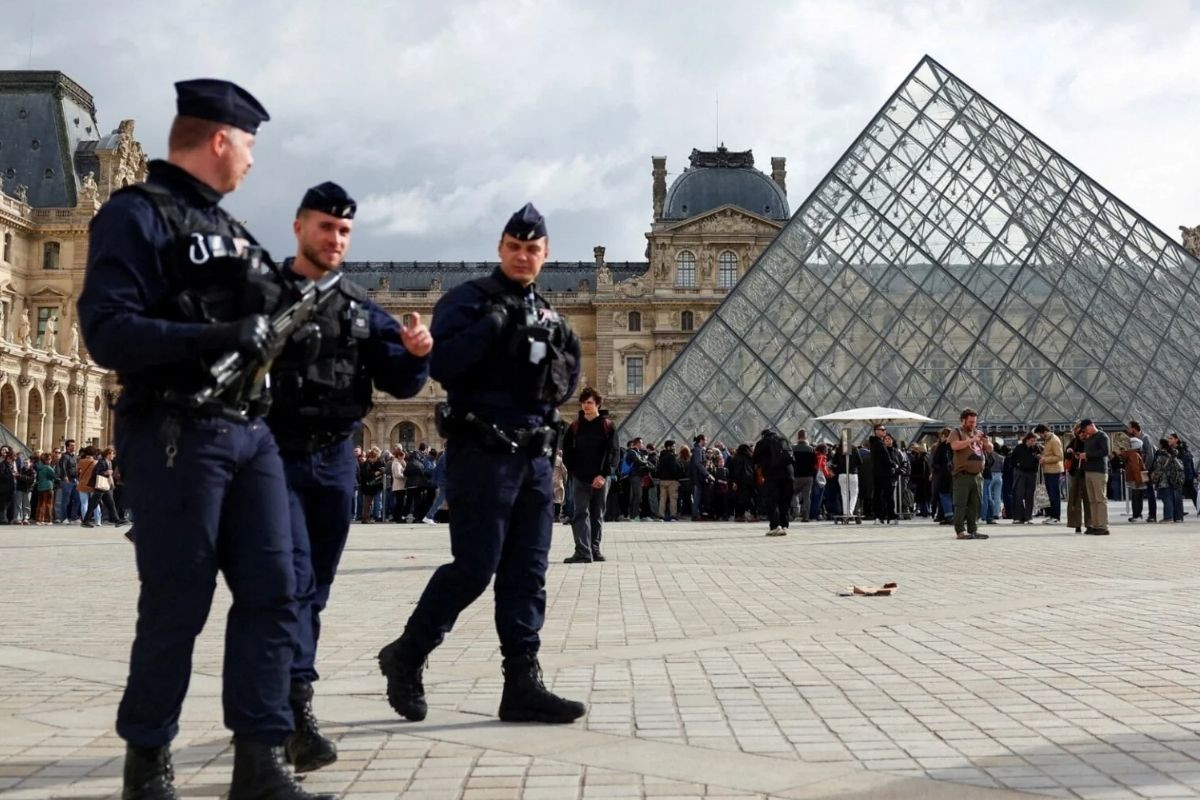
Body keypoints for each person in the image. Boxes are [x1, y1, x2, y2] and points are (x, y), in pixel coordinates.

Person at [77, 79, 330, 800]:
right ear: (220, 140)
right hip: (176, 426)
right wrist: (214, 338)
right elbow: (106, 331)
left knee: (277, 593)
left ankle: (261, 760)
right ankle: (148, 762)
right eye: (248, 144)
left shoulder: (234, 231)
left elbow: (274, 319)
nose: (251, 159)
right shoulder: (136, 215)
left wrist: (302, 341)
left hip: (250, 432)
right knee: (177, 599)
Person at [377, 203, 585, 725]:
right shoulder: (467, 301)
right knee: (473, 567)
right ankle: (408, 653)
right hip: (483, 452)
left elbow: (565, 383)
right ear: (501, 248)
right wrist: (494, 327)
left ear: (545, 253)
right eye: (514, 247)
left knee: (528, 573)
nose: (523, 256)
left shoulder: (552, 318)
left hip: (535, 459)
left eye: (532, 248)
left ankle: (522, 683)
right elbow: (443, 365)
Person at [265, 181, 430, 772]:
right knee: (290, 582)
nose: (334, 238)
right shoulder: (262, 295)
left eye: (343, 230)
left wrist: (416, 353)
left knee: (315, 586)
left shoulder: (361, 308)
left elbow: (402, 383)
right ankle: (293, 709)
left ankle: (285, 702)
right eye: (324, 226)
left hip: (336, 458)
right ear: (299, 227)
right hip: (274, 455)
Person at [561, 387, 617, 562]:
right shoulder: (575, 426)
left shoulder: (608, 426)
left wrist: (603, 475)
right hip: (580, 478)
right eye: (583, 402)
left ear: (597, 404)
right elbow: (567, 451)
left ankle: (594, 549)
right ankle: (582, 551)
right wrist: (574, 472)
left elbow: (613, 452)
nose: (586, 406)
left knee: (597, 514)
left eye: (589, 402)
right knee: (580, 514)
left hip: (601, 478)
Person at [948, 409, 992, 540]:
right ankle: (960, 531)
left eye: (974, 422)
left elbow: (990, 448)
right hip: (963, 474)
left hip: (977, 475)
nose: (973, 424)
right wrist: (972, 440)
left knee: (975, 504)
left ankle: (973, 529)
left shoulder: (978, 433)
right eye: (970, 422)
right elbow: (955, 446)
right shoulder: (956, 432)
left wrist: (985, 442)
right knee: (960, 504)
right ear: (963, 421)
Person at [753, 429, 793, 536]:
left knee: (771, 501)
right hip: (788, 475)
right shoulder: (784, 440)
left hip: (772, 476)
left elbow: (755, 459)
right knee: (784, 501)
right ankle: (784, 525)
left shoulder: (762, 443)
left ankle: (775, 526)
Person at [1080, 419, 1110, 535]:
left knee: (1100, 499)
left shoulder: (1102, 436)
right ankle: (1095, 524)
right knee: (1092, 500)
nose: (1085, 432)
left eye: (1085, 429)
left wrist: (1088, 455)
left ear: (1091, 425)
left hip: (1099, 471)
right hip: (1089, 470)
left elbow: (1105, 452)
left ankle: (1103, 525)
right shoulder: (1089, 438)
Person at [1035, 424, 1064, 524]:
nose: (1040, 436)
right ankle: (1052, 516)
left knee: (1054, 494)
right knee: (1050, 494)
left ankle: (1056, 517)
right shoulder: (1048, 440)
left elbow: (1059, 456)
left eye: (1040, 434)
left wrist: (1045, 459)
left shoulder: (1054, 440)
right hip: (1048, 470)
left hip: (1054, 471)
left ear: (1044, 432)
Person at [1009, 432, 1040, 524]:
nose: (1033, 442)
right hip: (1021, 472)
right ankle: (1018, 517)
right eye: (1032, 440)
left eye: (1035, 441)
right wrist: (1018, 464)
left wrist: (1039, 458)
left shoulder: (1036, 448)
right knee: (1018, 495)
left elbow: (1040, 456)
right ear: (1027, 440)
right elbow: (1012, 459)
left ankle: (1028, 517)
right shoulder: (1019, 448)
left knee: (1030, 496)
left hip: (1032, 473)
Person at [656, 440, 684, 521]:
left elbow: (658, 469)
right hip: (672, 480)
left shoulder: (661, 457)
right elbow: (674, 468)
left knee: (662, 499)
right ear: (669, 447)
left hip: (662, 480)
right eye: (673, 446)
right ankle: (673, 516)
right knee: (673, 499)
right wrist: (677, 476)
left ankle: (661, 516)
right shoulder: (672, 457)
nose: (674, 447)